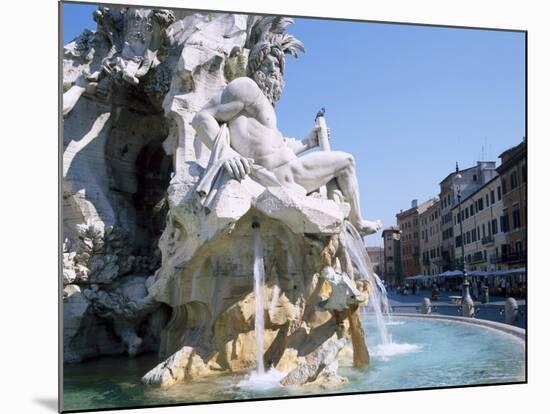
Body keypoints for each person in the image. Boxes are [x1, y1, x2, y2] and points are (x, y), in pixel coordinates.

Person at [191, 32, 382, 235]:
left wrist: (308, 142)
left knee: (339, 173)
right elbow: (201, 118)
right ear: (255, 67)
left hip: (290, 171)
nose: (275, 70)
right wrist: (227, 154)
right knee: (347, 162)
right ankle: (358, 222)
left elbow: (273, 148)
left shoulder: (264, 107)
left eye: (278, 67)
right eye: (269, 63)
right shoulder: (245, 87)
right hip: (283, 175)